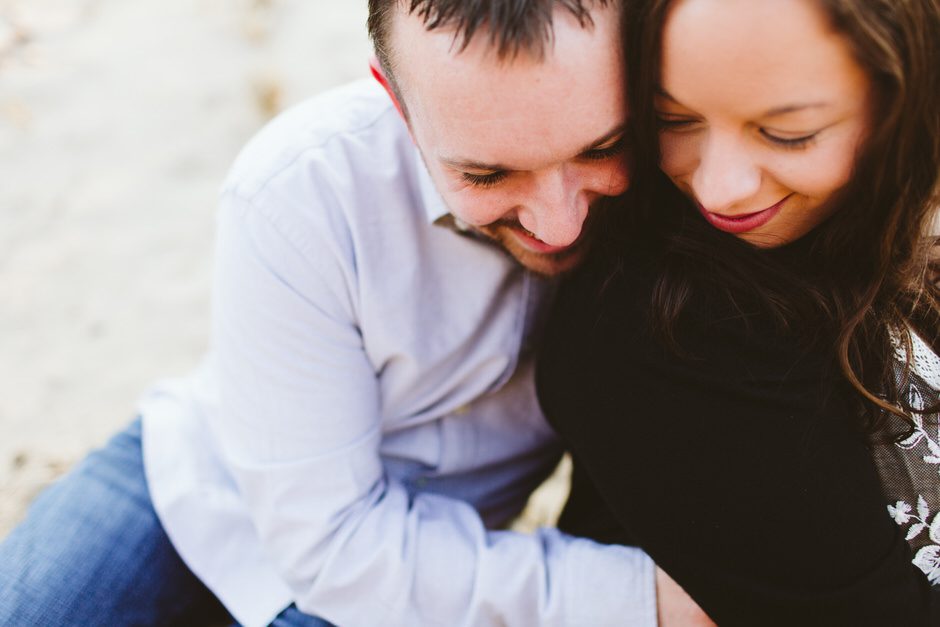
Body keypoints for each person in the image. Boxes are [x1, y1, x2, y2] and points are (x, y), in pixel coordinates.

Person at [0, 1, 713, 625]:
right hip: (195, 491)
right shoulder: (295, 193)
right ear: (395, 102)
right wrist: (636, 598)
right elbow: (332, 547)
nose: (559, 224)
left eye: (602, 148)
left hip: (437, 581)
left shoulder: (696, 188)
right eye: (486, 174)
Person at [538, 0, 940, 624]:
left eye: (788, 133)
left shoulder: (895, 223)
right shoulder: (667, 336)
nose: (719, 189)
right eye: (672, 119)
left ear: (904, 98)